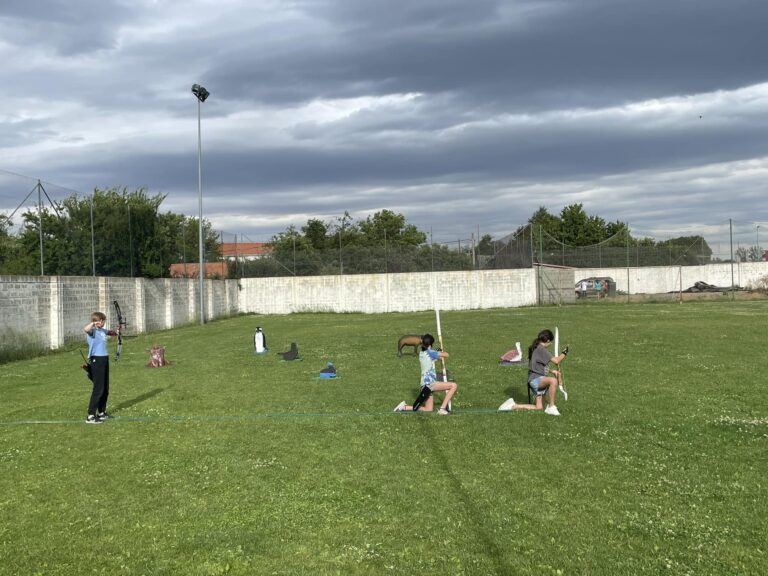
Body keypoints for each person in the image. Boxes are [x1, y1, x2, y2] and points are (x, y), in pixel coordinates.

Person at [498, 329, 567, 416]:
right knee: (553, 381)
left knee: (539, 407)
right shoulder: (541, 349)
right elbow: (556, 361)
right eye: (551, 342)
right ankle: (551, 407)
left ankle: (512, 405)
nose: (550, 344)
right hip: (536, 380)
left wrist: (551, 371)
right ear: (548, 341)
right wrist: (565, 352)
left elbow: (536, 366)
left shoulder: (537, 347)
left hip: (536, 380)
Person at [394, 333, 457, 415]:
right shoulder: (431, 352)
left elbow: (435, 358)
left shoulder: (422, 353)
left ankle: (404, 407)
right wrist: (441, 352)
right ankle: (442, 409)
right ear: (430, 344)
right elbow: (446, 355)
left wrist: (438, 353)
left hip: (424, 386)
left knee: (428, 409)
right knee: (453, 385)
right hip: (430, 384)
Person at [83, 311, 115, 424]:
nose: (103, 323)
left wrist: (117, 331)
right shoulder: (93, 331)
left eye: (103, 321)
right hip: (97, 360)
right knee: (98, 388)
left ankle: (101, 412)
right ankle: (91, 416)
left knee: (105, 388)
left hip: (104, 359)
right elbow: (86, 329)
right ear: (98, 321)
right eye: (102, 321)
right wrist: (93, 323)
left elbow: (111, 332)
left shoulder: (101, 331)